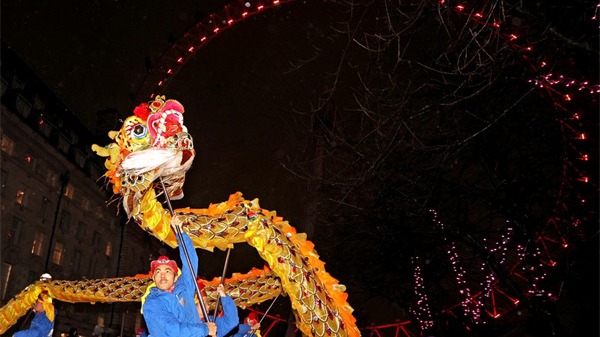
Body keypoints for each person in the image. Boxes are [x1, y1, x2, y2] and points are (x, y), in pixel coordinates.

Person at [141, 215, 217, 337]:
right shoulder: (152, 304)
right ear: (153, 279)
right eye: (158, 272)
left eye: (167, 271)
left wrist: (181, 234)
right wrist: (204, 330)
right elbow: (172, 331)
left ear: (176, 277)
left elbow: (190, 262)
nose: (162, 275)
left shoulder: (185, 288)